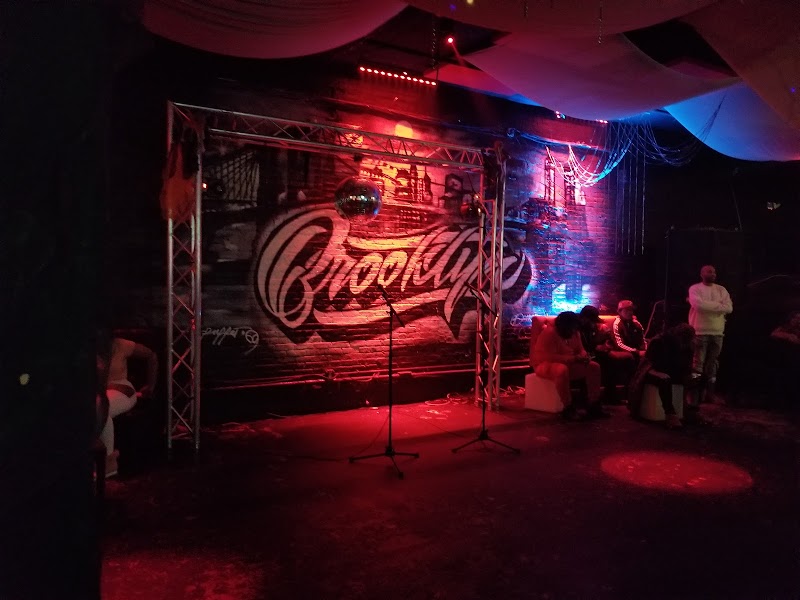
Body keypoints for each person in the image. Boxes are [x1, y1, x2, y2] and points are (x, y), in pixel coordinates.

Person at [98, 335, 158, 477]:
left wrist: (151, 386)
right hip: (97, 391)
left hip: (122, 389)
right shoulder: (86, 348)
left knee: (102, 409)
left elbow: (151, 355)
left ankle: (109, 462)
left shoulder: (121, 344)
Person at [532, 311, 608, 419]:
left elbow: (580, 349)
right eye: (571, 328)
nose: (573, 331)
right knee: (561, 369)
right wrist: (573, 358)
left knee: (593, 367)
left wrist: (584, 356)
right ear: (564, 326)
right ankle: (568, 407)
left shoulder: (575, 333)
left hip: (569, 363)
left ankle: (594, 404)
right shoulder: (549, 333)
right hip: (544, 365)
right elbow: (545, 357)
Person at [628, 323, 697, 429]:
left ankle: (690, 409)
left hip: (673, 371)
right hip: (651, 372)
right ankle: (670, 414)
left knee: (700, 377)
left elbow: (686, 365)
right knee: (665, 380)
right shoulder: (659, 341)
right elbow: (648, 364)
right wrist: (657, 373)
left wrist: (690, 374)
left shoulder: (688, 345)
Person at [688, 265, 733, 402]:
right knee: (697, 364)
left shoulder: (721, 289)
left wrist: (708, 305)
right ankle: (694, 394)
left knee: (713, 364)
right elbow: (698, 306)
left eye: (714, 272)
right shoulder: (695, 288)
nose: (713, 274)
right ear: (701, 274)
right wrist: (719, 306)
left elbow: (729, 308)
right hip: (699, 331)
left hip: (717, 332)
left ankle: (709, 393)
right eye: (709, 271)